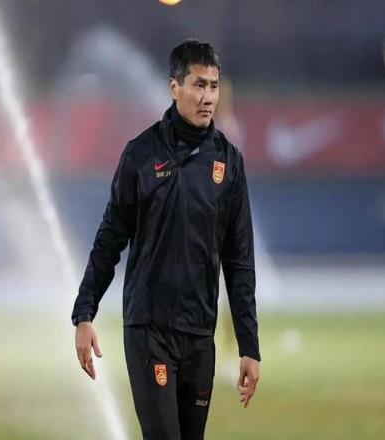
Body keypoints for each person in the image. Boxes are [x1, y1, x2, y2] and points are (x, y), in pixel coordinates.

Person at [71, 39, 260, 440]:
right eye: (198, 85)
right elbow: (109, 241)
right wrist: (84, 313)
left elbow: (239, 261)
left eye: (213, 86)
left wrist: (249, 346)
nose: (208, 97)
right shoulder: (140, 154)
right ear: (174, 88)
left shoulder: (229, 163)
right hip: (149, 330)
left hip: (200, 336)